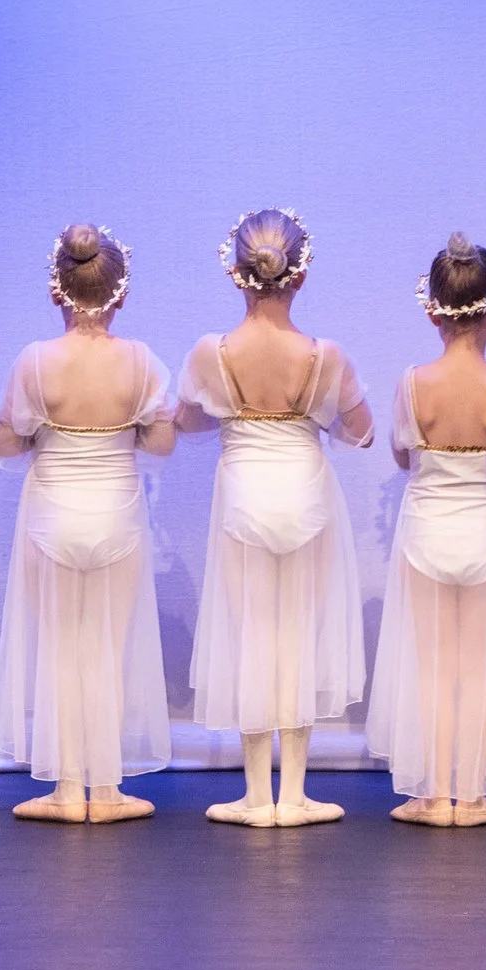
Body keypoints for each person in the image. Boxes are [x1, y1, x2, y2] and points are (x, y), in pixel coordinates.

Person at [177, 209, 372, 828]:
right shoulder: (324, 354)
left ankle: (256, 794)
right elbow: (363, 432)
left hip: (244, 495)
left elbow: (185, 424)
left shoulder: (214, 351)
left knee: (252, 633)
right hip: (305, 493)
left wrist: (233, 412)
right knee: (299, 634)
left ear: (236, 273)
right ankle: (296, 795)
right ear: (300, 276)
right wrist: (316, 414)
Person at [0, 223, 176, 822]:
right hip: (116, 513)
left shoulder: (36, 361)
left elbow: (9, 443)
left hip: (53, 514)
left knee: (61, 648)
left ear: (57, 292)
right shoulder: (142, 361)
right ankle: (109, 788)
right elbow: (162, 445)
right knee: (109, 647)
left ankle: (67, 788)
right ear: (120, 293)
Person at [367, 233, 486, 826]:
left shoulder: (413, 384)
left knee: (434, 666)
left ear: (431, 309)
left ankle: (434, 792)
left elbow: (401, 457)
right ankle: (473, 795)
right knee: (482, 667)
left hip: (428, 534)